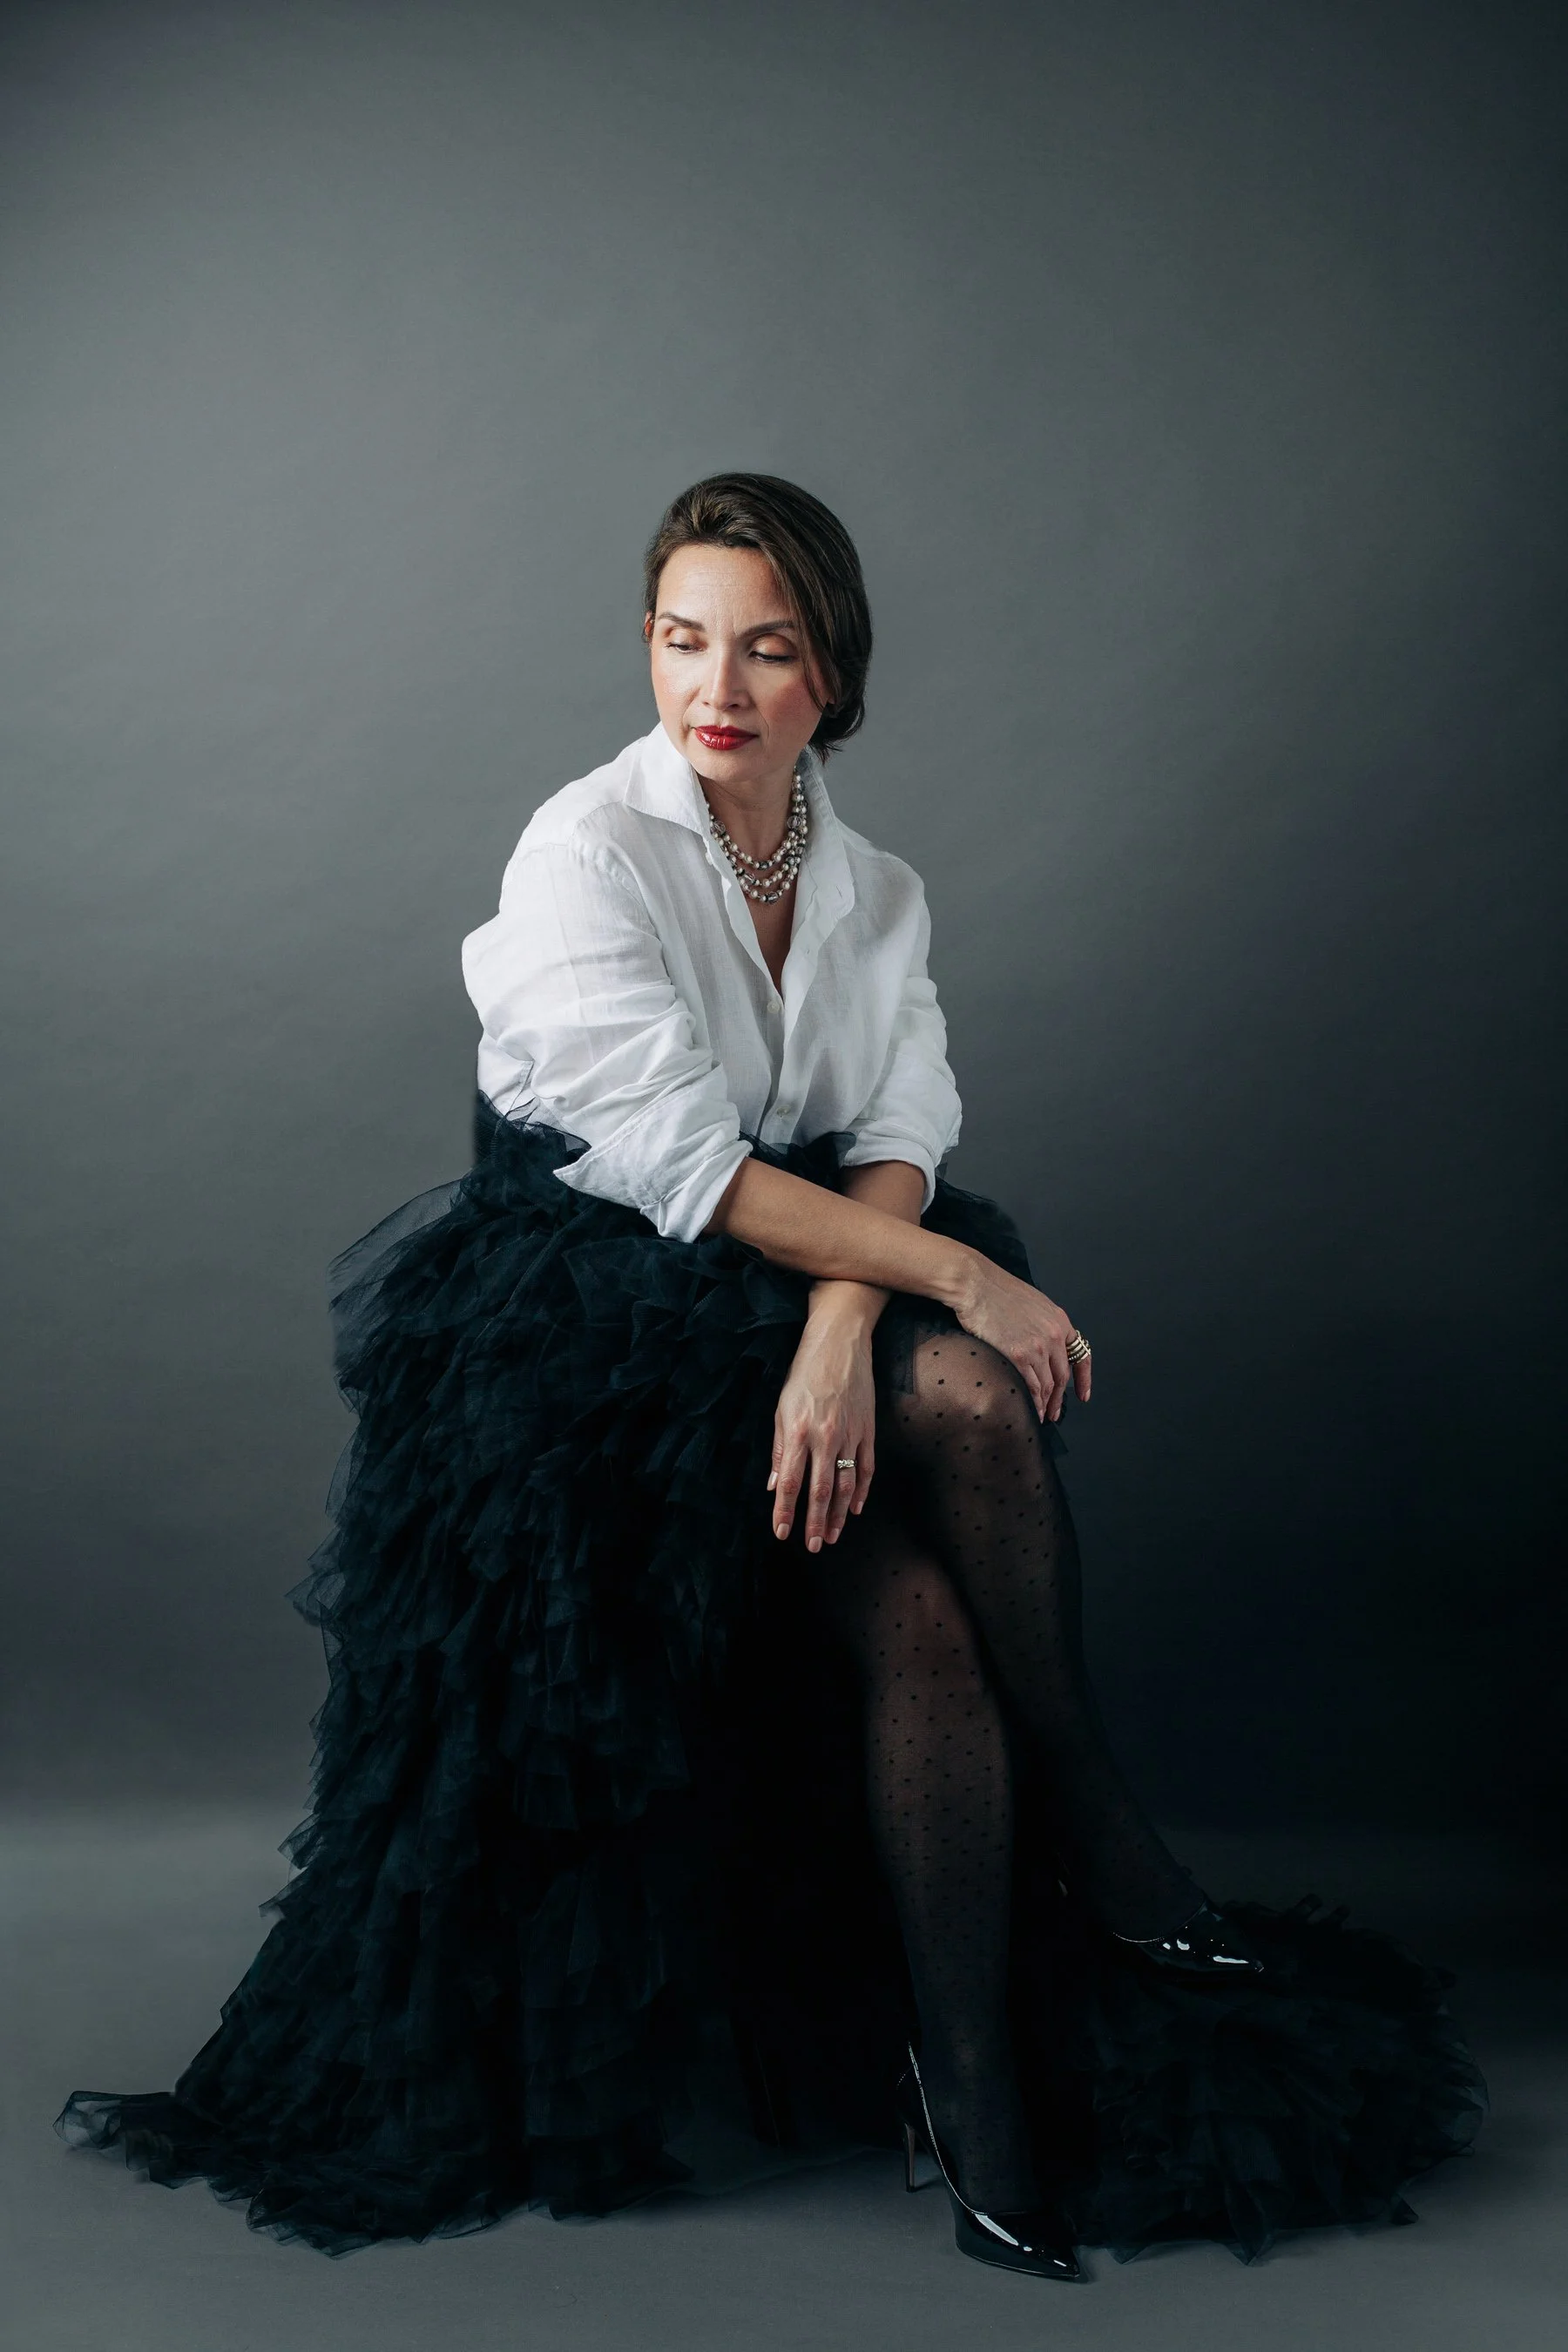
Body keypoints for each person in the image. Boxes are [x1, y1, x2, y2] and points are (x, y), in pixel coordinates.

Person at [60, 474, 1484, 2278]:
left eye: (764, 647)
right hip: (599, 1321)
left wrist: (836, 1337)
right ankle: (1049, 1936)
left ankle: (1006, 1994)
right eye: (681, 641)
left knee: (952, 1461)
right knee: (945, 1488)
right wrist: (951, 1275)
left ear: (833, 675)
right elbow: (686, 1171)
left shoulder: (876, 887)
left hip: (799, 1274)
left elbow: (900, 1124)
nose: (714, 687)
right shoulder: (585, 850)